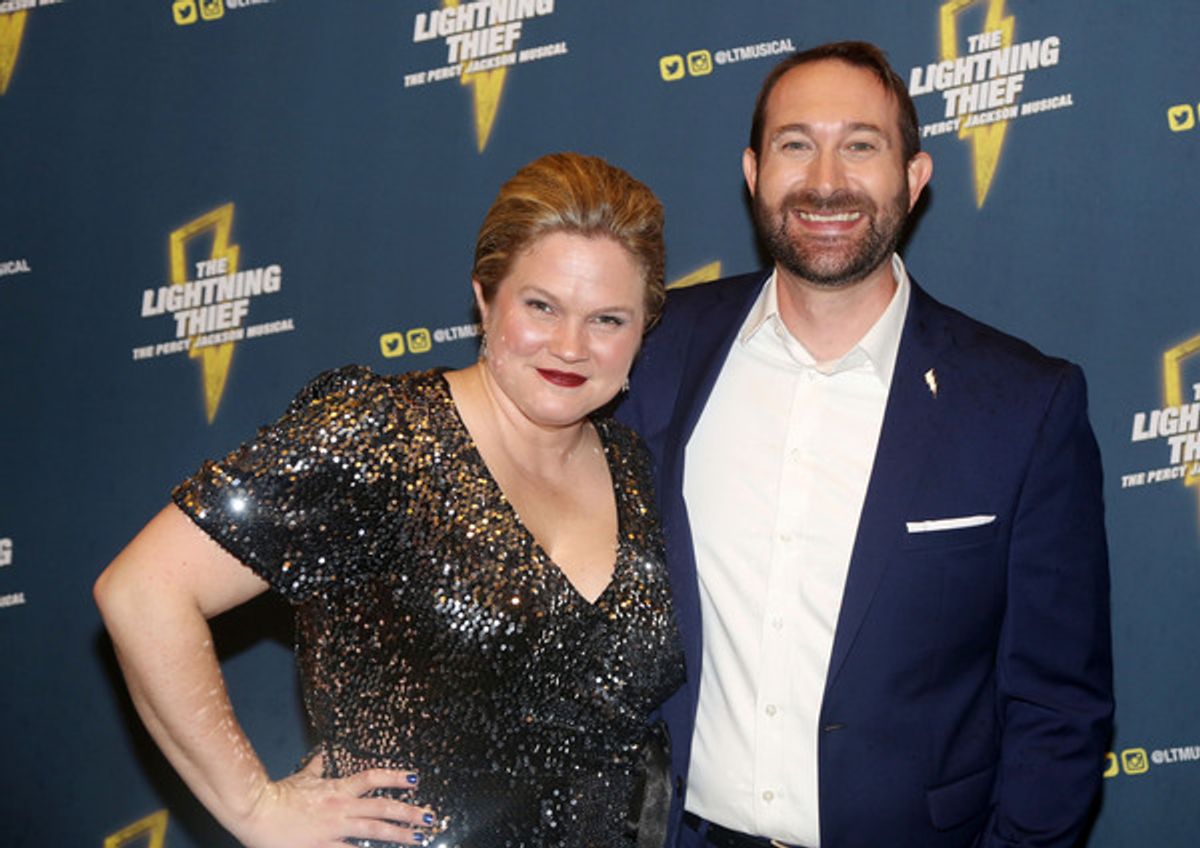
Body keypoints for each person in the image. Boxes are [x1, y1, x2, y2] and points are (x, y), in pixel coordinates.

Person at [95, 152, 685, 848]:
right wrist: (255, 808)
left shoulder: (640, 471)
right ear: (485, 298)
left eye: (607, 320)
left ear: (644, 328)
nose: (569, 345)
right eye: (541, 306)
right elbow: (142, 591)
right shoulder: (383, 434)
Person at [618, 42, 1113, 848]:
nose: (825, 180)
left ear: (913, 179)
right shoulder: (654, 351)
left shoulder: (1024, 405)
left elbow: (1058, 708)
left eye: (861, 144)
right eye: (795, 144)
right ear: (752, 173)